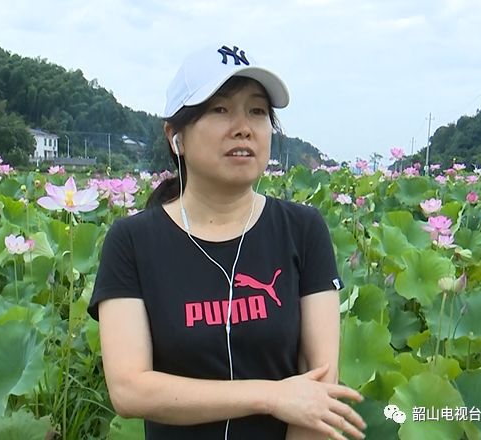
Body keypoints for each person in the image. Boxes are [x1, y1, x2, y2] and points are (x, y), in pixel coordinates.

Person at [88, 44, 366, 440]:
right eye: (220, 110)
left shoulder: (303, 229)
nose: (243, 127)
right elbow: (130, 389)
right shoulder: (132, 241)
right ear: (176, 137)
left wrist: (291, 400)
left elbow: (320, 388)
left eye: (256, 111)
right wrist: (270, 396)